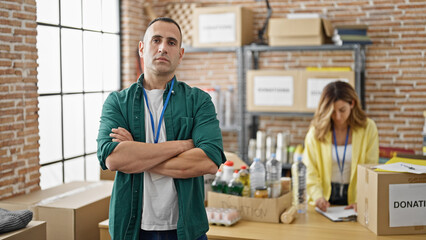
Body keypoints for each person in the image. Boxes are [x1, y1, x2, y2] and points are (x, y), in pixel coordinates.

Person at [97, 17, 226, 240]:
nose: (163, 48)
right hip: (132, 229)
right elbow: (114, 160)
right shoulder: (118, 102)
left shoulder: (199, 101)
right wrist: (183, 145)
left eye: (171, 42)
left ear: (180, 54)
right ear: (142, 48)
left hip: (186, 230)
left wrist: (137, 154)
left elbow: (209, 161)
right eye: (156, 40)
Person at [303, 81, 379, 212]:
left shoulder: (368, 128)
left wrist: (362, 199)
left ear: (352, 104)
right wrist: (317, 197)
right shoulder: (316, 132)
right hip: (324, 198)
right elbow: (310, 171)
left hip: (356, 198)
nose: (337, 117)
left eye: (342, 110)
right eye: (332, 112)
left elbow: (370, 168)